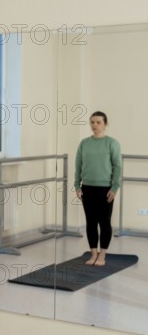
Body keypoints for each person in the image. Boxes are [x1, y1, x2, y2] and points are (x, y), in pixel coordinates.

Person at [74, 111, 122, 266]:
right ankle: (93, 254)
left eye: (98, 122)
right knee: (91, 222)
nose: (94, 125)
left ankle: (102, 255)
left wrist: (114, 188)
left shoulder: (112, 143)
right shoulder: (84, 143)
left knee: (105, 222)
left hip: (105, 189)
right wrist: (77, 185)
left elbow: (117, 166)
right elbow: (78, 166)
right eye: (92, 122)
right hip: (87, 188)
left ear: (105, 124)